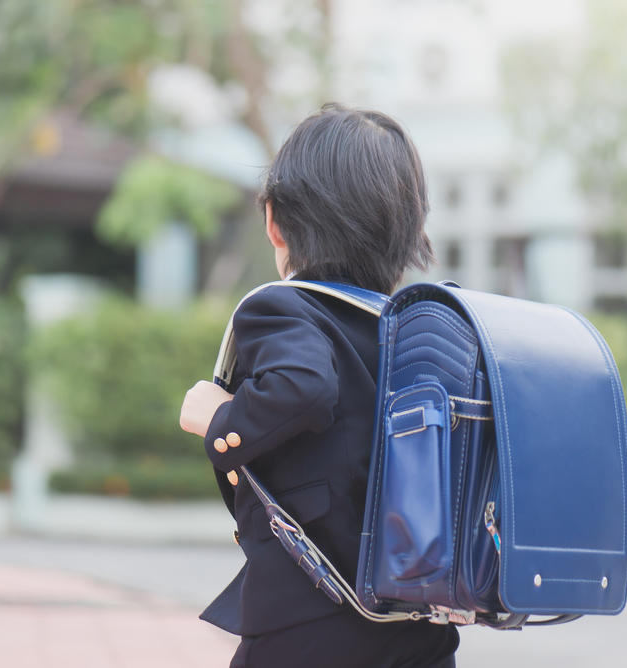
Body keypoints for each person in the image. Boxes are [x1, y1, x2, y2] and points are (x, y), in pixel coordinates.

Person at [179, 104, 459, 668]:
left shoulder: (281, 309)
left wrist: (218, 418)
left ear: (275, 221)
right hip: (419, 625)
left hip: (308, 626)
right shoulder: (421, 330)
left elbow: (304, 386)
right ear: (409, 227)